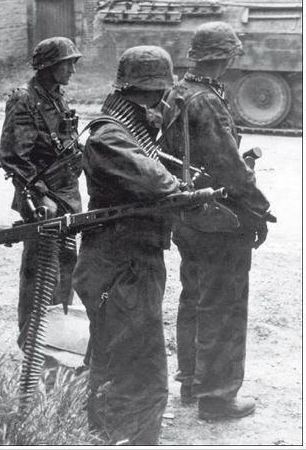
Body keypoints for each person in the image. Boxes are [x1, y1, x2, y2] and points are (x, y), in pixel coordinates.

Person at [161, 22, 275, 420]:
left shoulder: (177, 92)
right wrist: (259, 205)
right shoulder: (207, 100)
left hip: (188, 214)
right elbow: (228, 164)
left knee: (194, 296)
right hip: (218, 216)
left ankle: (192, 382)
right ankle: (218, 396)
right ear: (225, 57)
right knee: (223, 304)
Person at [72, 46, 185, 445]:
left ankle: (112, 435)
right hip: (120, 265)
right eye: (161, 96)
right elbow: (158, 184)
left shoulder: (128, 131)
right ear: (151, 93)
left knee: (122, 360)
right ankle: (125, 439)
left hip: (128, 260)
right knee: (136, 371)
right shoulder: (110, 137)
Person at [0, 36, 83, 348]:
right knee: (41, 275)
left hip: (67, 197)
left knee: (65, 269)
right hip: (42, 200)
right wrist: (40, 195)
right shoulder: (25, 100)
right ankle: (32, 344)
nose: (73, 70)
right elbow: (13, 157)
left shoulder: (56, 97)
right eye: (67, 64)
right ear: (49, 67)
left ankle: (56, 342)